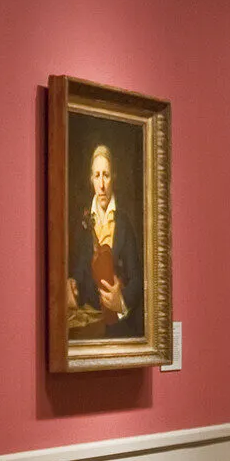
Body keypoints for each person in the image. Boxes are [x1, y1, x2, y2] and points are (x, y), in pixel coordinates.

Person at [66, 143, 143, 340]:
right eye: (97, 175)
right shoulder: (82, 222)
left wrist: (121, 301)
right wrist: (73, 285)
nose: (101, 185)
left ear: (113, 178)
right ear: (91, 179)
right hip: (91, 324)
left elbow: (137, 279)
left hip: (119, 325)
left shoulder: (124, 223)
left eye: (106, 175)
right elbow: (80, 273)